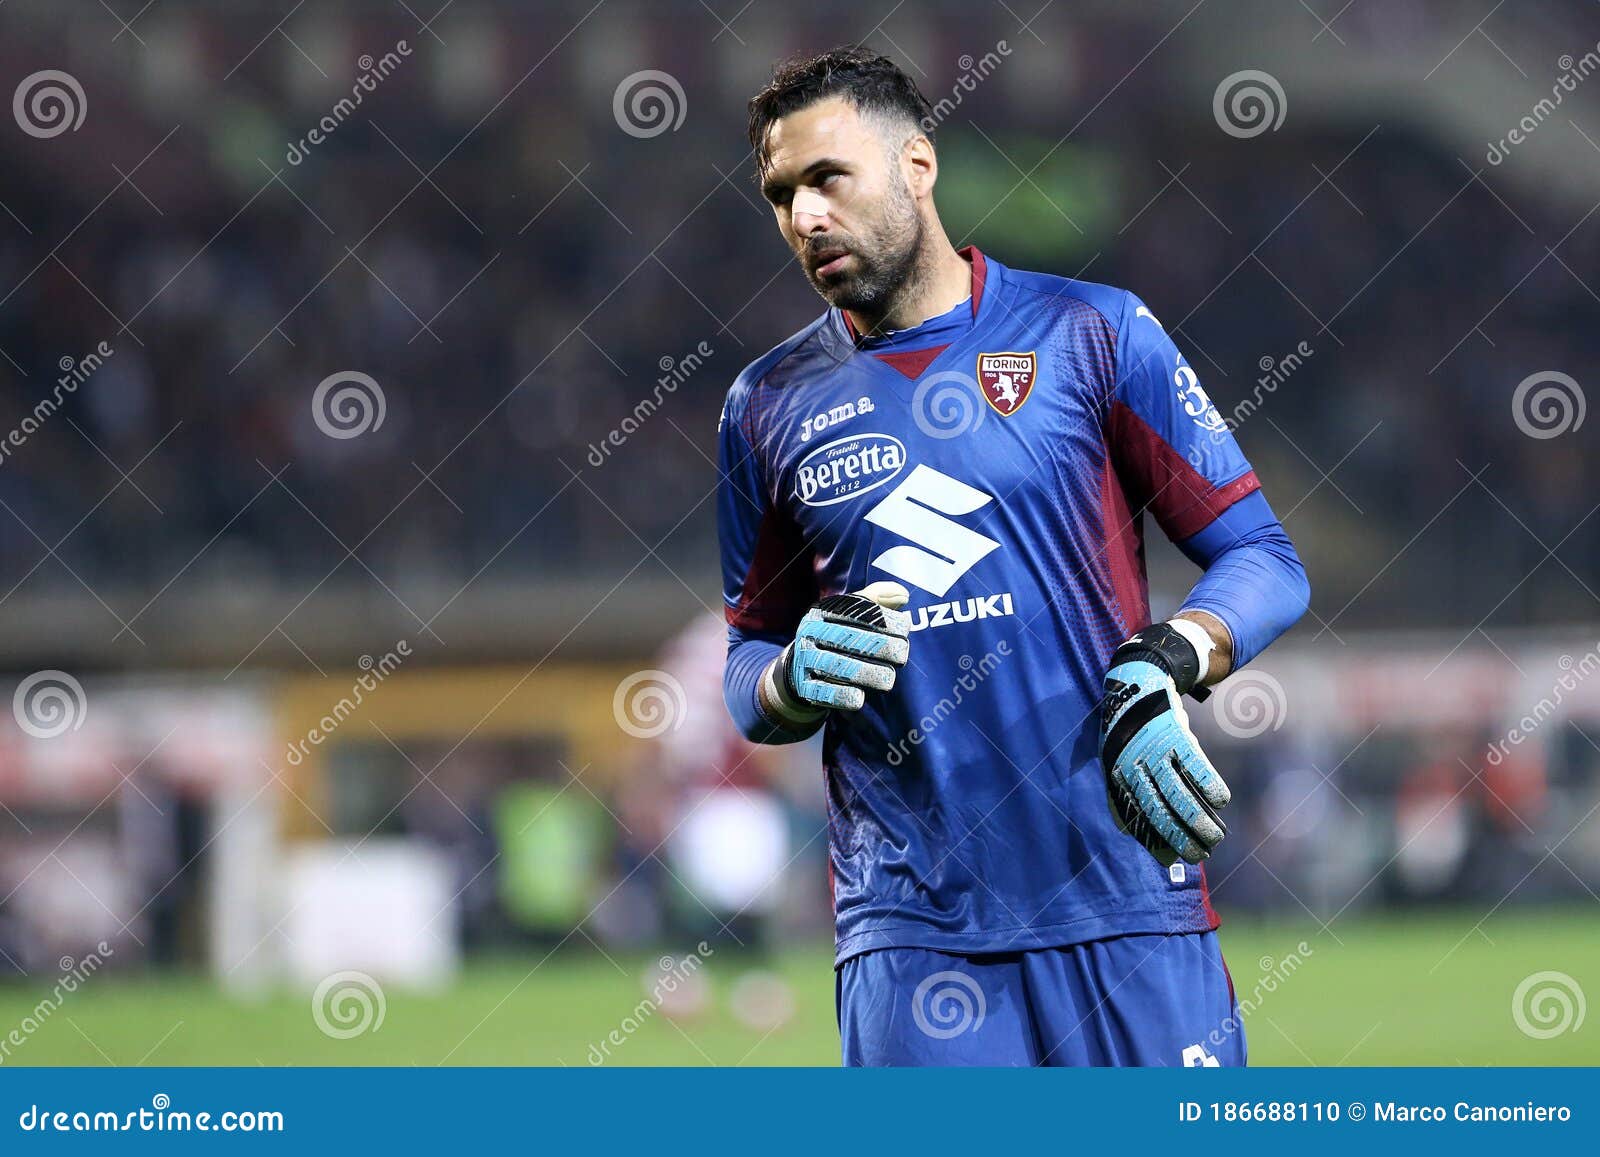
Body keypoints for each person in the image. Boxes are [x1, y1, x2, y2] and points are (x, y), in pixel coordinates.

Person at [716, 46, 1309, 1066]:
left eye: (826, 179)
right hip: (912, 936)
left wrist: (1167, 660)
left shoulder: (1091, 333)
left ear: (917, 166)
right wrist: (785, 677)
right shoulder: (766, 405)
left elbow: (1261, 556)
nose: (803, 217)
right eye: (779, 194)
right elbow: (745, 660)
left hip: (1125, 895)